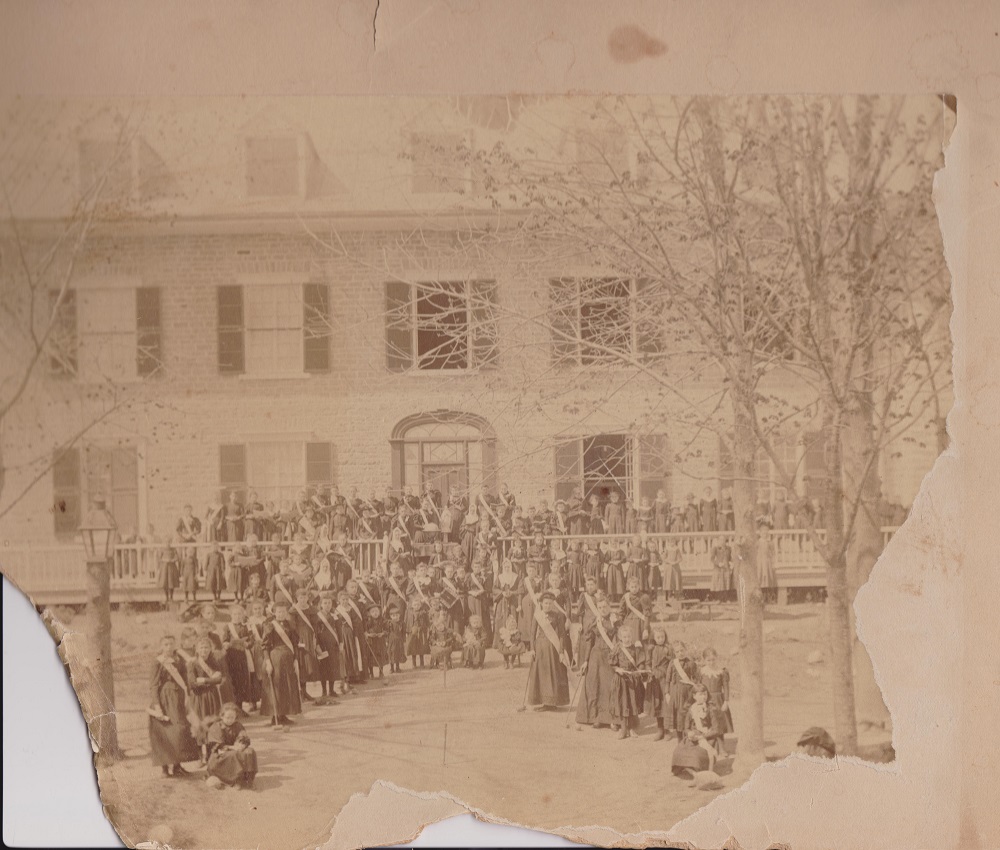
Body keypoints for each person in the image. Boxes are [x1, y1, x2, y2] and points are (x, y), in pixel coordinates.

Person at [147, 635, 199, 779]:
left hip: (178, 700)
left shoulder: (178, 660)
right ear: (161, 647)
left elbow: (185, 680)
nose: (169, 647)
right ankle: (164, 768)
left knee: (180, 731)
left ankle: (177, 766)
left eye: (171, 644)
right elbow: (153, 685)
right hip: (164, 700)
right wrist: (157, 705)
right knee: (164, 733)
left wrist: (187, 696)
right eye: (166, 644)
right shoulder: (157, 663)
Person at [525, 591, 571, 711]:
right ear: (541, 603)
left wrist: (561, 651)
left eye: (550, 604)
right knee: (541, 674)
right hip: (540, 647)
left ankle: (553, 702)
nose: (548, 606)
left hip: (552, 649)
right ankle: (544, 702)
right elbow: (532, 633)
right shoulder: (537, 615)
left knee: (552, 673)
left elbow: (561, 634)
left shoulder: (557, 616)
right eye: (545, 603)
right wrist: (532, 649)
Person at [260, 598, 303, 726]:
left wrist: (295, 659)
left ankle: (283, 715)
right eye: (278, 612)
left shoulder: (290, 625)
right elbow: (265, 646)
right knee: (277, 687)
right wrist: (268, 662)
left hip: (288, 660)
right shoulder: (270, 626)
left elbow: (294, 644)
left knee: (287, 688)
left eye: (283, 612)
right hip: (275, 659)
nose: (281, 614)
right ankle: (275, 716)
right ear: (274, 612)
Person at [187, 636, 225, 764]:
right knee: (199, 726)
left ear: (210, 649)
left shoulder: (214, 661)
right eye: (201, 647)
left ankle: (209, 755)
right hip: (199, 698)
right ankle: (199, 756)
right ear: (197, 649)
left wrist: (203, 680)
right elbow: (192, 683)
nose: (204, 650)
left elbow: (219, 679)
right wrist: (211, 680)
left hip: (212, 697)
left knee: (212, 724)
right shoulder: (192, 663)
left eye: (207, 647)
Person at [205, 703, 258, 789]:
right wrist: (232, 747)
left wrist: (241, 745)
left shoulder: (238, 725)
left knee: (249, 751)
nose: (230, 720)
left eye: (232, 718)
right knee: (233, 755)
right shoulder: (216, 727)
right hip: (219, 756)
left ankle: (247, 779)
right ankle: (234, 780)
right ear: (222, 716)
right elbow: (216, 745)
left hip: (235, 749)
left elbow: (243, 737)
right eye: (227, 718)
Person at [610, 624, 645, 739]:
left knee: (632, 703)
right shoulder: (617, 648)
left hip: (633, 680)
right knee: (623, 703)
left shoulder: (636, 649)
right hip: (621, 680)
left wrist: (639, 670)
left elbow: (640, 662)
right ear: (620, 637)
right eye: (624, 637)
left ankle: (632, 728)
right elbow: (612, 664)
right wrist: (617, 669)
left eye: (629, 636)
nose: (627, 639)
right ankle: (623, 729)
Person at [221, 604, 256, 714]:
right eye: (235, 614)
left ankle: (240, 707)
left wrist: (247, 644)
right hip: (232, 656)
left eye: (239, 614)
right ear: (231, 615)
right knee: (233, 680)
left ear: (243, 615)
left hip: (243, 656)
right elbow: (224, 640)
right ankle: (234, 707)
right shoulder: (227, 627)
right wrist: (227, 643)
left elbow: (251, 640)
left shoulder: (246, 626)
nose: (237, 616)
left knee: (242, 681)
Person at [698, 646, 733, 754]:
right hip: (706, 700)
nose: (711, 662)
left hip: (718, 700)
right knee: (710, 724)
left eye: (713, 659)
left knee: (719, 724)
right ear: (704, 660)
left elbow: (726, 687)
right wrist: (700, 701)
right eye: (708, 660)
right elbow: (699, 686)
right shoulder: (702, 672)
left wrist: (726, 701)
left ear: (716, 658)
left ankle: (722, 748)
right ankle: (711, 747)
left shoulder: (721, 671)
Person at [642, 624, 674, 741]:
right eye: (658, 637)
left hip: (664, 679)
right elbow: (647, 662)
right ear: (654, 638)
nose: (661, 639)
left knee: (665, 705)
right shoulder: (651, 649)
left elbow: (672, 663)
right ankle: (659, 729)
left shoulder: (668, 648)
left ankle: (667, 730)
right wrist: (649, 670)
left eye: (662, 637)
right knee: (657, 704)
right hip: (654, 679)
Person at [685, 684, 717, 771]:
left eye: (705, 694)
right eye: (700, 694)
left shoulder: (710, 708)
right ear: (694, 696)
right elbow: (686, 727)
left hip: (708, 736)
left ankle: (708, 773)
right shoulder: (691, 709)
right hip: (695, 736)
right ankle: (694, 773)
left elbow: (715, 729)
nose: (704, 697)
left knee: (699, 753)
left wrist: (702, 737)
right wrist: (690, 734)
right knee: (680, 752)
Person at [157, 538, 181, 607]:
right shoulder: (162, 549)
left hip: (171, 567)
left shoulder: (173, 549)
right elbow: (159, 558)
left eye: (169, 542)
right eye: (166, 542)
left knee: (171, 582)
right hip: (164, 567)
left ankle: (171, 597)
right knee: (165, 582)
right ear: (164, 542)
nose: (167, 543)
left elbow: (177, 557)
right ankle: (166, 597)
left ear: (170, 542)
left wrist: (172, 560)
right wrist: (164, 560)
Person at [386, 603, 407, 674]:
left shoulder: (402, 623)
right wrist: (387, 641)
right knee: (392, 653)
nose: (395, 617)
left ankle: (397, 667)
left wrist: (404, 639)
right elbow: (387, 632)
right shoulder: (390, 623)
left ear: (399, 615)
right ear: (391, 616)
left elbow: (404, 632)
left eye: (397, 615)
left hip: (399, 640)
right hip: (392, 640)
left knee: (398, 653)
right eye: (393, 616)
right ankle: (391, 668)